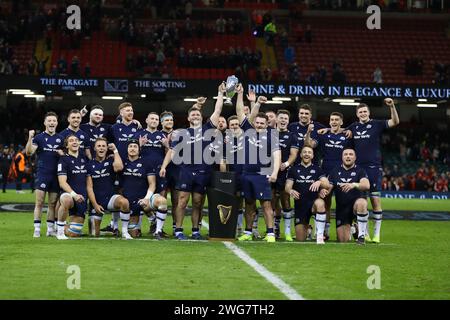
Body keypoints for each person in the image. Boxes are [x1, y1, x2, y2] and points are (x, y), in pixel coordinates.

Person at [160, 85, 224, 240]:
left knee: (197, 202)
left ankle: (195, 230)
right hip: (186, 172)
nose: (195, 116)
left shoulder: (208, 128)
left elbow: (217, 110)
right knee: (182, 201)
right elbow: (172, 151)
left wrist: (220, 93)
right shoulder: (182, 133)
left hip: (203, 172)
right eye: (192, 115)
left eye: (198, 114)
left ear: (201, 117)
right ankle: (179, 230)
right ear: (188, 118)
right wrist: (163, 166)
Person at [346, 98, 399, 243]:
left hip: (373, 168)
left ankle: (377, 234)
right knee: (360, 202)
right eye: (360, 112)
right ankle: (364, 233)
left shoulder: (376, 124)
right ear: (357, 114)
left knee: (375, 201)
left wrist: (392, 106)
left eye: (365, 111)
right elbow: (339, 133)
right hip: (357, 169)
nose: (363, 114)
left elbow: (395, 122)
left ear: (369, 113)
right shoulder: (353, 127)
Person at [235, 84, 281, 243]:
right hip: (246, 174)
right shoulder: (248, 130)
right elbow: (240, 112)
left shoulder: (272, 136)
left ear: (267, 124)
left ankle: (270, 234)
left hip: (263, 175)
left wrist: (274, 173)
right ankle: (248, 232)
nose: (259, 125)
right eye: (257, 122)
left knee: (266, 205)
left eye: (262, 123)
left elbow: (277, 154)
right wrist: (240, 94)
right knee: (248, 204)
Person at [306, 112, 351, 240]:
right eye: (332, 120)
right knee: (325, 201)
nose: (334, 122)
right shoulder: (324, 135)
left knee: (344, 202)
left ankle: (351, 226)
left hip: (343, 174)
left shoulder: (347, 135)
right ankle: (324, 231)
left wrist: (347, 130)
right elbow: (310, 145)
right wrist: (308, 133)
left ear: (341, 122)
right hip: (326, 173)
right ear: (329, 121)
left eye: (337, 120)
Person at [25, 112, 64, 238]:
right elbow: (29, 152)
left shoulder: (61, 138)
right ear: (45, 123)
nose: (52, 123)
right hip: (43, 174)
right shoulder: (39, 138)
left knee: (52, 203)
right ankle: (36, 229)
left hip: (56, 175)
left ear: (57, 123)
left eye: (54, 121)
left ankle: (50, 229)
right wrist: (30, 138)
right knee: (39, 202)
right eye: (49, 121)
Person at [121, 139, 168, 240]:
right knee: (134, 234)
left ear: (139, 149)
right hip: (129, 202)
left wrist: (147, 198)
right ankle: (152, 218)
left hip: (144, 199)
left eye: (135, 146)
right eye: (130, 146)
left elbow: (152, 184)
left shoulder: (146, 163)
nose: (132, 149)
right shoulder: (122, 163)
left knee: (162, 201)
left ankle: (158, 231)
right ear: (127, 149)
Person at [285, 146, 330, 244]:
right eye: (304, 152)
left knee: (320, 203)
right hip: (300, 206)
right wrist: (290, 191)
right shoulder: (293, 170)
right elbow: (287, 186)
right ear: (300, 155)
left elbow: (327, 184)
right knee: (300, 240)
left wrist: (319, 182)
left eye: (309, 152)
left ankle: (319, 236)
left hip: (313, 204)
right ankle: (308, 230)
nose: (307, 154)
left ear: (313, 156)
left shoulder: (318, 169)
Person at [325, 148, 370, 245]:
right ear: (342, 157)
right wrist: (323, 190)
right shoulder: (335, 171)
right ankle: (354, 229)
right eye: (345, 154)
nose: (348, 156)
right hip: (342, 210)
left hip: (355, 208)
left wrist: (354, 184)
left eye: (351, 154)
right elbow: (328, 189)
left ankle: (361, 236)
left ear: (355, 157)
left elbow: (366, 185)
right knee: (343, 240)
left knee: (362, 202)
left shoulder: (360, 171)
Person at [134, 112, 168, 235]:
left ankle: (159, 229)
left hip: (160, 172)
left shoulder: (163, 135)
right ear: (147, 120)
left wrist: (167, 146)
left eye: (156, 119)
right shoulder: (139, 134)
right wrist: (140, 145)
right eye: (152, 118)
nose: (154, 120)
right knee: (143, 198)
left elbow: (169, 154)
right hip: (144, 173)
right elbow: (133, 152)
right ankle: (151, 220)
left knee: (161, 198)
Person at [86, 138, 126, 237]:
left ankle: (122, 230)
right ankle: (111, 231)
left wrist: (115, 150)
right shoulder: (89, 165)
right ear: (94, 148)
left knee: (124, 202)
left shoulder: (111, 160)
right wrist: (95, 204)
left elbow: (119, 167)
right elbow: (89, 187)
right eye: (99, 146)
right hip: (96, 201)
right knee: (94, 234)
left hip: (110, 199)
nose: (101, 148)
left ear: (107, 148)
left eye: (104, 146)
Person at [272, 109, 299, 241]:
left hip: (284, 172)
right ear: (276, 119)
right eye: (281, 118)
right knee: (272, 200)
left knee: (285, 200)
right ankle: (275, 228)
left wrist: (286, 163)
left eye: (285, 119)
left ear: (288, 121)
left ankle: (287, 231)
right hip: (271, 172)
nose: (283, 121)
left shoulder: (292, 136)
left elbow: (294, 154)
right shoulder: (269, 134)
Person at [56, 135, 89, 240]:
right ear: (67, 145)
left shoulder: (85, 158)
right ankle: (60, 232)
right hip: (70, 194)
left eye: (76, 140)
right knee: (66, 200)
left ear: (79, 143)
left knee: (73, 234)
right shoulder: (63, 160)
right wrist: (74, 195)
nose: (74, 142)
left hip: (82, 198)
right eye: (71, 141)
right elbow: (62, 182)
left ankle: (63, 226)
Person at [220, 115, 245, 235]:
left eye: (237, 124)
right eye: (232, 125)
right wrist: (224, 176)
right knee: (232, 201)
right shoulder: (226, 141)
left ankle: (241, 227)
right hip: (232, 175)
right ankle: (231, 226)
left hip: (245, 175)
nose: (235, 126)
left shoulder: (246, 138)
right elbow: (223, 160)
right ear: (228, 127)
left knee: (244, 201)